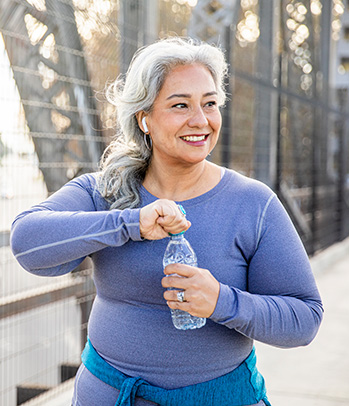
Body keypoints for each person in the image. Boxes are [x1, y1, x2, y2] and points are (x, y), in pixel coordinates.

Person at [10, 37, 323, 406]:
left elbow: (305, 319)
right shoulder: (104, 191)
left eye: (210, 104)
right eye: (180, 105)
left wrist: (223, 301)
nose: (201, 120)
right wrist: (128, 224)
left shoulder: (254, 204)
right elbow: (26, 242)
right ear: (144, 119)